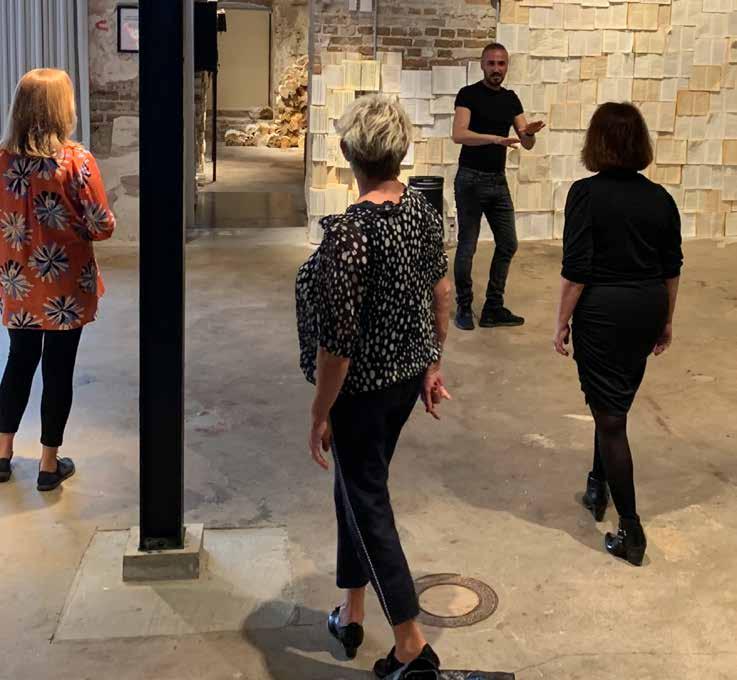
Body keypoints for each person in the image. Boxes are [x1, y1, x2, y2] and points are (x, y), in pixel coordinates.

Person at [296, 94, 452, 679]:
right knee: (356, 489)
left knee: (367, 501)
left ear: (347, 152)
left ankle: (411, 644)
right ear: (401, 150)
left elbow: (336, 346)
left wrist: (320, 411)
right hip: (405, 382)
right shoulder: (421, 212)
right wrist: (433, 364)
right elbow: (441, 294)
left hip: (360, 393)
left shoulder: (350, 234)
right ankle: (352, 608)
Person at [554, 102, 683, 566]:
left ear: (597, 142)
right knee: (610, 403)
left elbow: (576, 271)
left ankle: (631, 530)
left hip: (604, 313)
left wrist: (561, 320)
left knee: (610, 418)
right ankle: (597, 484)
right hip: (647, 307)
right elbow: (671, 269)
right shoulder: (661, 199)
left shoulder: (585, 194)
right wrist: (666, 319)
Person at [0, 69, 115, 490]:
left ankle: (2, 454)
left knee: (18, 362)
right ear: (60, 109)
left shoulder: (2, 161)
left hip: (18, 282)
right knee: (58, 370)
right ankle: (49, 465)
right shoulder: (75, 162)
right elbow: (102, 225)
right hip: (65, 286)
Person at [451, 42, 545, 331]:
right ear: (482, 65)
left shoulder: (511, 99)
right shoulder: (468, 94)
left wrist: (529, 134)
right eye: (491, 63)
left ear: (506, 67)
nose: (496, 69)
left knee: (508, 243)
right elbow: (459, 134)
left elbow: (526, 142)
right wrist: (494, 139)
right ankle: (464, 306)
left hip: (497, 181)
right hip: (470, 179)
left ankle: (493, 307)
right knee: (467, 245)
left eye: (501, 64)